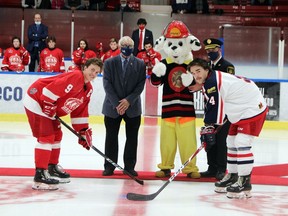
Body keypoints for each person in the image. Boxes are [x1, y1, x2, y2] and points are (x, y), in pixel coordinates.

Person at [188, 58, 268, 199]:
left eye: (198, 71)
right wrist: (209, 127)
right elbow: (212, 106)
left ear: (207, 69)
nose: (196, 76)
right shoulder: (209, 81)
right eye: (193, 73)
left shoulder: (212, 82)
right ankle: (232, 175)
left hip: (252, 107)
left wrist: (210, 127)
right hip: (237, 109)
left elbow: (215, 107)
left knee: (242, 143)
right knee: (230, 141)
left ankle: (245, 181)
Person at [23, 58, 103, 190]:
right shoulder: (76, 75)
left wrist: (82, 131)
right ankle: (39, 175)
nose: (93, 74)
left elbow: (79, 112)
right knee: (47, 136)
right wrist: (49, 104)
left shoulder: (88, 89)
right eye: (92, 69)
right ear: (85, 68)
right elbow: (50, 90)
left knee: (57, 134)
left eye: (97, 72)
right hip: (37, 99)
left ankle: (51, 167)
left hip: (48, 105)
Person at [101, 36, 146, 177]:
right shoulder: (109, 63)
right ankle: (109, 166)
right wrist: (117, 104)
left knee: (132, 138)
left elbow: (140, 85)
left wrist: (128, 101)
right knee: (111, 137)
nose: (127, 47)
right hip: (112, 107)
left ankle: (129, 166)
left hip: (132, 107)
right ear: (120, 46)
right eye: (124, 44)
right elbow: (107, 84)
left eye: (130, 45)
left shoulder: (140, 63)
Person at [199, 38, 235, 181]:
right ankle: (211, 168)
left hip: (224, 111)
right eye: (207, 50)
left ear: (219, 49)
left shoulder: (227, 67)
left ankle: (221, 169)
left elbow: (229, 88)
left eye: (212, 50)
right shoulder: (206, 66)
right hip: (210, 108)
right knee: (209, 138)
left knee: (221, 140)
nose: (209, 52)